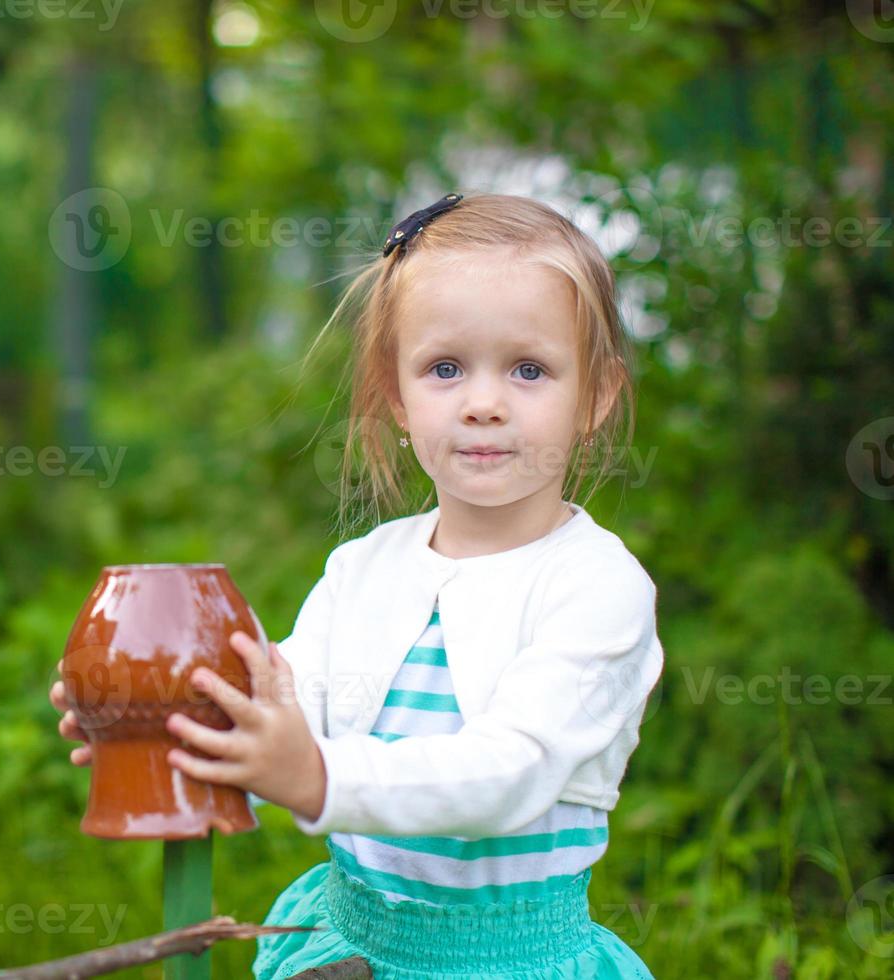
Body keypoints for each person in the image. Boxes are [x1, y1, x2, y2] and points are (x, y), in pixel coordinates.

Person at [50, 192, 662, 979]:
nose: (483, 404)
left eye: (529, 369)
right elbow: (286, 703)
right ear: (397, 394)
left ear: (597, 396)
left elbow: (509, 772)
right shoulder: (366, 568)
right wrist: (170, 720)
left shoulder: (596, 585)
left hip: (511, 962)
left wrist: (315, 776)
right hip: (353, 947)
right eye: (445, 368)